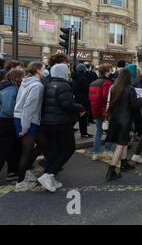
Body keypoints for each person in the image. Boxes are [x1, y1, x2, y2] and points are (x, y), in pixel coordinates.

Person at [39, 63, 86, 192]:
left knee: (54, 149)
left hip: (47, 122)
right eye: (67, 71)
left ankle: (49, 174)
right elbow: (67, 105)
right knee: (68, 148)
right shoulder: (64, 85)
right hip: (61, 122)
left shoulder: (48, 84)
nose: (69, 73)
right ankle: (49, 174)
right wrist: (80, 107)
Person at [105, 69, 142, 182]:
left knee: (124, 141)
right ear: (128, 78)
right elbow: (134, 106)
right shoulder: (130, 89)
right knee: (121, 144)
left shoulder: (113, 87)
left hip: (115, 119)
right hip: (125, 119)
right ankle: (111, 170)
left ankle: (124, 163)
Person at [13, 62, 46, 192]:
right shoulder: (37, 85)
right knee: (27, 151)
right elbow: (29, 106)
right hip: (27, 120)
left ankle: (24, 172)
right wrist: (25, 127)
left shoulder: (25, 82)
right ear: (37, 70)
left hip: (21, 117)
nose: (44, 70)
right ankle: (20, 182)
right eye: (43, 69)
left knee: (43, 143)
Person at [0, 69, 25, 182]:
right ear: (17, 78)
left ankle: (12, 171)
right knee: (5, 148)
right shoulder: (11, 89)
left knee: (14, 148)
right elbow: (8, 109)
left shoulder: (6, 87)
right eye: (22, 77)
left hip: (6, 121)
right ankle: (12, 171)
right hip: (7, 121)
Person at [89, 64, 114, 161]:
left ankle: (96, 152)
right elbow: (107, 97)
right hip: (105, 110)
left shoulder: (93, 83)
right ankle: (107, 150)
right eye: (110, 70)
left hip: (95, 109)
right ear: (107, 71)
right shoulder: (107, 83)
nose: (111, 72)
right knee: (110, 130)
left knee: (98, 130)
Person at [72, 63, 93, 138]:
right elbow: (87, 89)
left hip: (76, 99)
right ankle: (84, 133)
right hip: (84, 99)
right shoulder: (83, 78)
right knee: (83, 117)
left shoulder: (74, 77)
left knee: (76, 115)